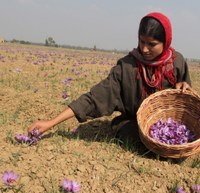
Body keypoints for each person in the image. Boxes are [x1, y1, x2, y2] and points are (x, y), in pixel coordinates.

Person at [28, 12, 193, 143]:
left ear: (166, 41)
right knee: (135, 136)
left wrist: (184, 87)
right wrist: (50, 123)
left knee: (181, 138)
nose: (144, 49)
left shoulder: (176, 62)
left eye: (152, 44)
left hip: (168, 124)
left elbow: (186, 102)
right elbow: (94, 98)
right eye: (141, 41)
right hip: (135, 124)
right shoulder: (126, 67)